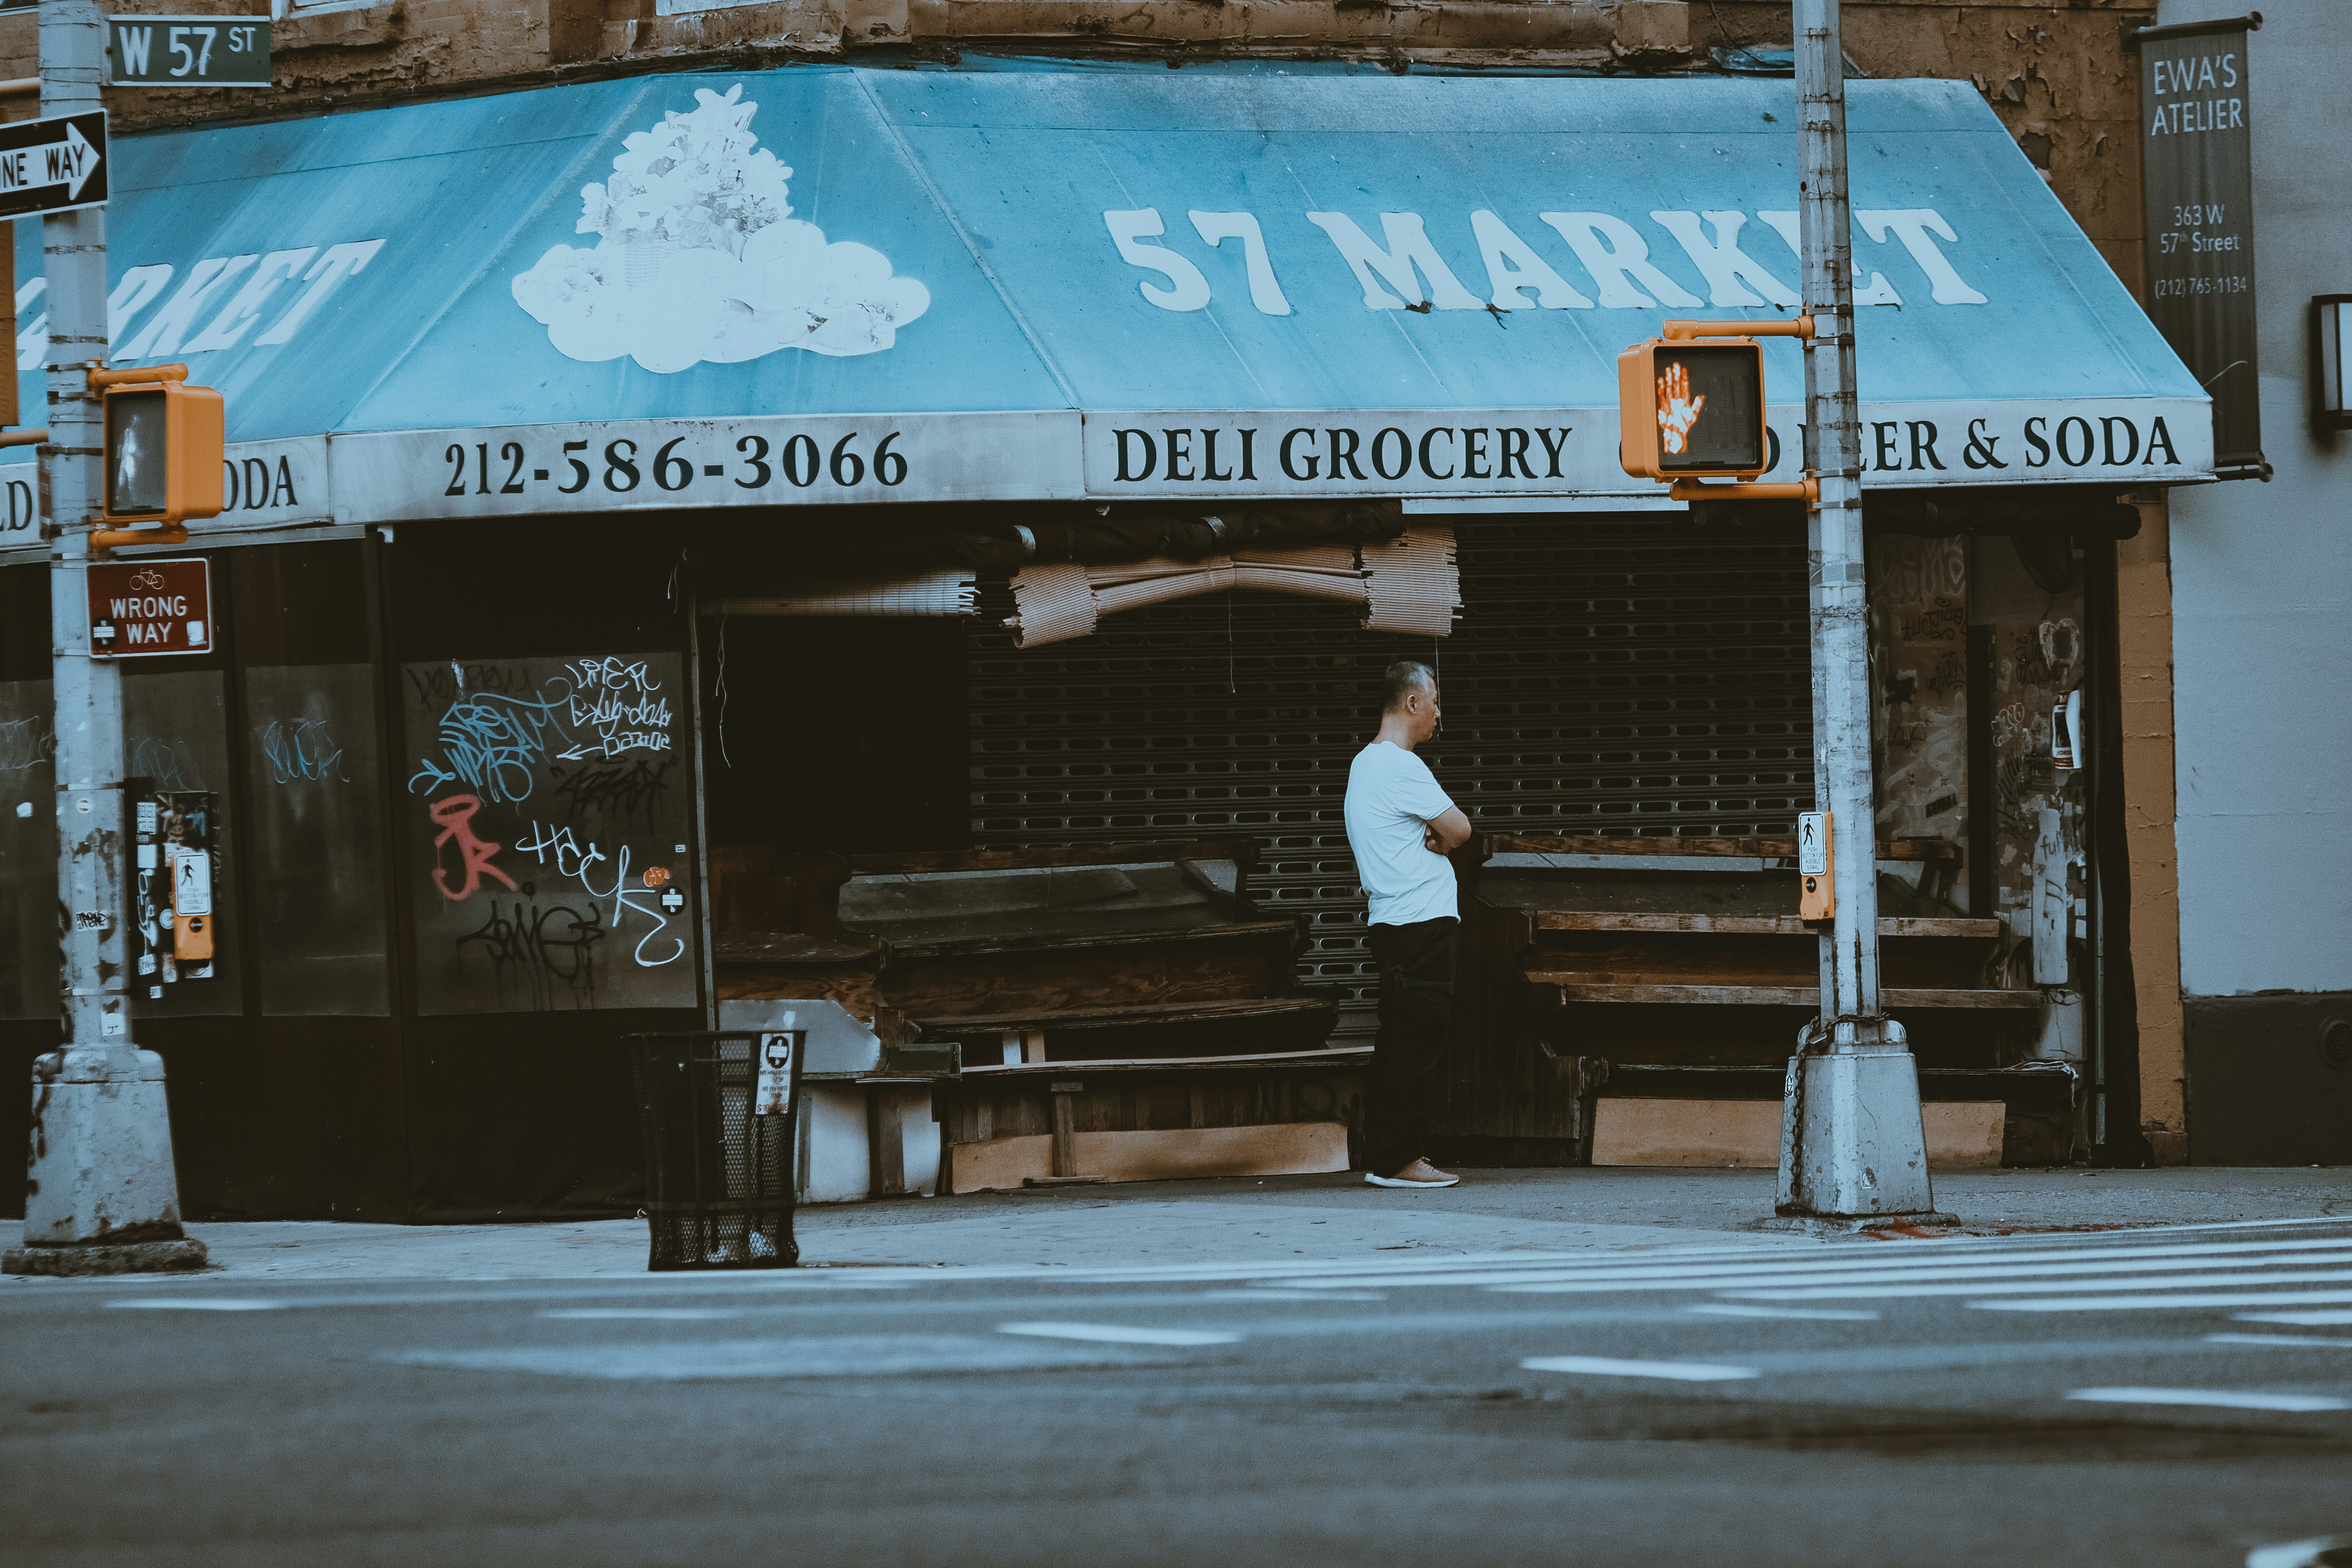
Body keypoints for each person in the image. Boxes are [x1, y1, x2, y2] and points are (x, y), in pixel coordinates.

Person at [1343, 659, 1472, 1189]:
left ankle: (1390, 1155)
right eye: (1435, 701)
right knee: (1414, 1046)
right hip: (1420, 926)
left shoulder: (1363, 765)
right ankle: (1399, 1160)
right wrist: (1442, 841)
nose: (1439, 714)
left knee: (1400, 1042)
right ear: (1413, 703)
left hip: (1397, 925)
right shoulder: (1401, 766)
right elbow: (1461, 830)